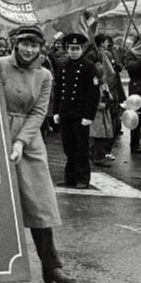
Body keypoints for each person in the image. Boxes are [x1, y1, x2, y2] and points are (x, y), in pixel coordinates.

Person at [0, 25, 75, 283]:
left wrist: (20, 141)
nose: (29, 50)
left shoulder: (45, 75)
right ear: (15, 44)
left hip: (29, 141)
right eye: (25, 44)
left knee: (39, 204)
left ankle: (51, 267)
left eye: (34, 45)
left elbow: (39, 112)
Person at [52, 33, 100, 189]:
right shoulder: (63, 67)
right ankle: (70, 177)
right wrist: (56, 112)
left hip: (80, 115)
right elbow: (58, 90)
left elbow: (93, 94)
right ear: (67, 49)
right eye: (71, 48)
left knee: (81, 147)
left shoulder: (88, 67)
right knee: (68, 147)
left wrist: (89, 115)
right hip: (66, 113)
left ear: (82, 49)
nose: (74, 51)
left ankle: (82, 178)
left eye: (77, 48)